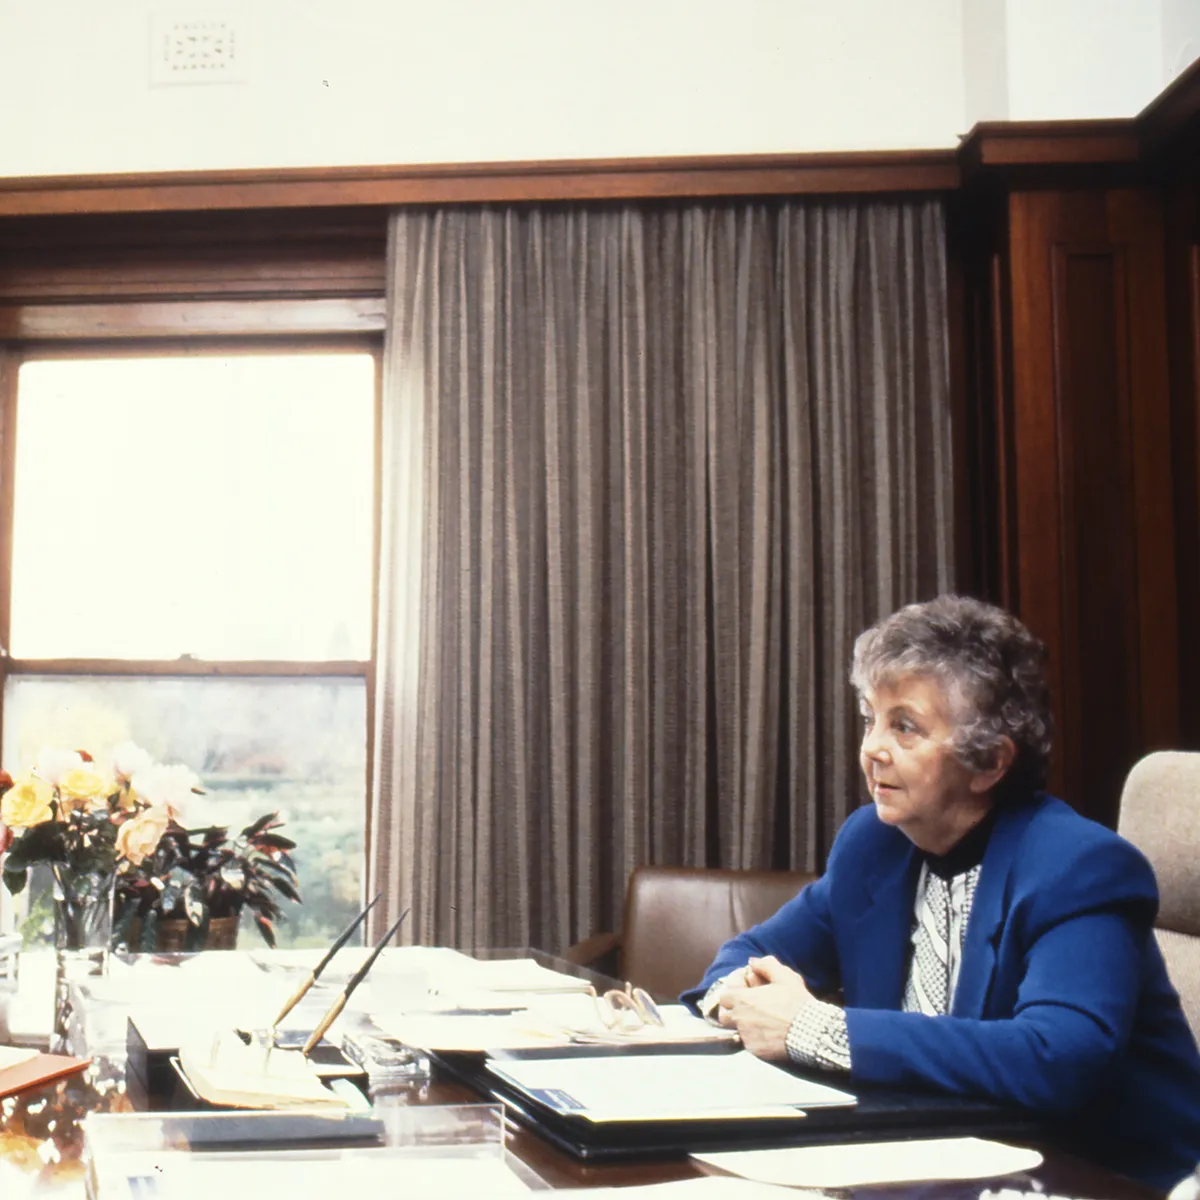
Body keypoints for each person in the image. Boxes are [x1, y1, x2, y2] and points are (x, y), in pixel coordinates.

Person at [682, 595, 1200, 1189]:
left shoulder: (1078, 867)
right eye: (869, 718)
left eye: (905, 726)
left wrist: (811, 1029)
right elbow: (749, 953)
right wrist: (739, 996)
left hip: (1094, 1176)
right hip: (925, 1161)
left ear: (988, 763)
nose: (872, 748)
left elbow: (1059, 1058)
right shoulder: (873, 844)